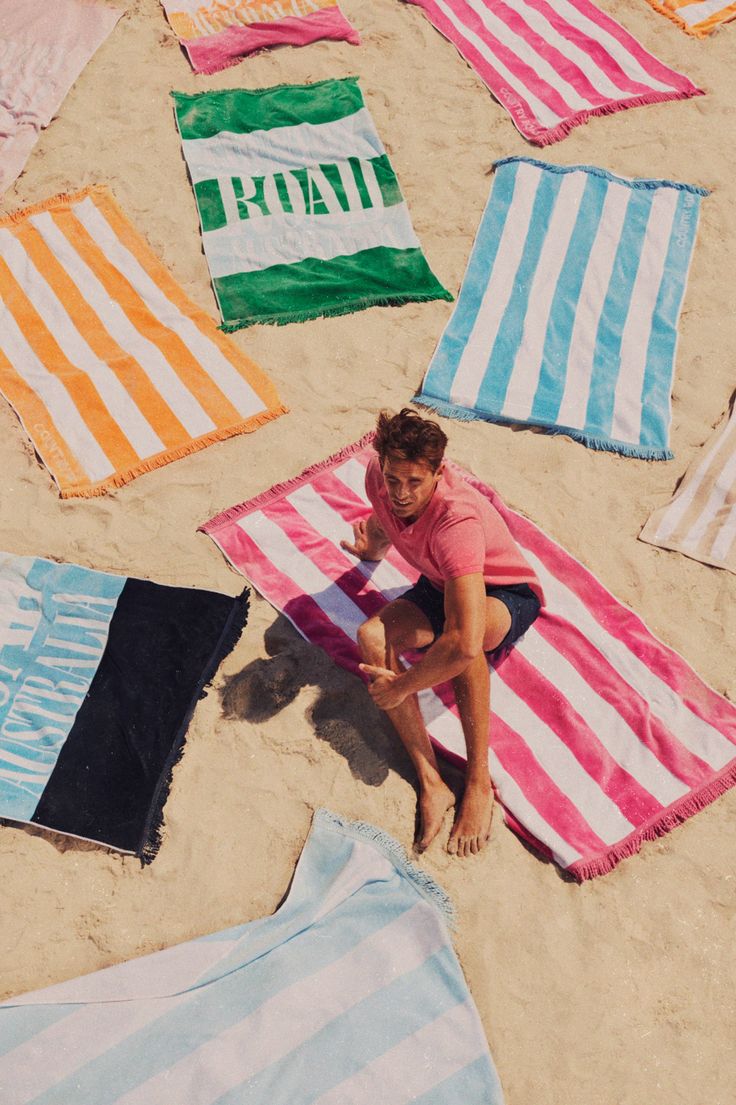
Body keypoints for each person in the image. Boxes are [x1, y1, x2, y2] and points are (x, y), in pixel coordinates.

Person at [340, 408, 544, 858]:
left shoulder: (456, 522)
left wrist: (403, 687)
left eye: (415, 482)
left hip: (505, 592)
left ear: (439, 471)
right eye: (394, 479)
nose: (401, 492)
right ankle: (432, 783)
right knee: (372, 637)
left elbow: (465, 641)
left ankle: (477, 781)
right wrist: (370, 548)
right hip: (439, 582)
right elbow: (385, 516)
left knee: (462, 643)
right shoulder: (381, 474)